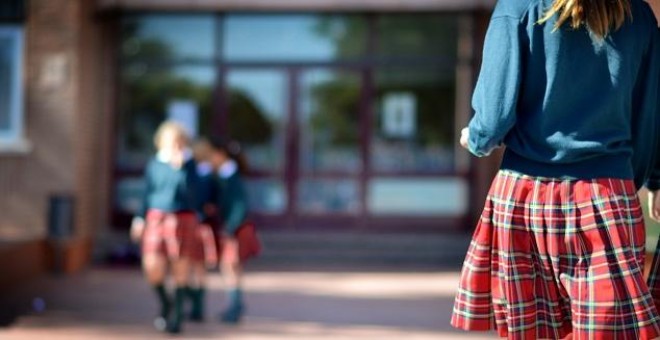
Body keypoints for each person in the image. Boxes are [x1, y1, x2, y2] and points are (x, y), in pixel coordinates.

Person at [450, 0, 660, 338]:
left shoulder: (518, 7)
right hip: (607, 196)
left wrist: (476, 138)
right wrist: (652, 178)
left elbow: (494, 117)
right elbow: (649, 115)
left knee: (531, 332)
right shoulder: (638, 15)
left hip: (523, 197)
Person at [131, 121, 201, 334]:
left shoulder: (190, 166)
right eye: (173, 141)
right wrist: (139, 218)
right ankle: (166, 303)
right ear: (163, 142)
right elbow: (147, 193)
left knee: (180, 268)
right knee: (152, 266)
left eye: (180, 142)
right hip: (156, 218)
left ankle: (177, 317)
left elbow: (193, 195)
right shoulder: (154, 164)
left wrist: (181, 170)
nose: (177, 146)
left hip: (182, 218)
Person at [206, 136, 251, 324]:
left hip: (235, 228)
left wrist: (231, 226)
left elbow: (240, 205)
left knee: (231, 267)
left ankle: (235, 306)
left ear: (221, 155)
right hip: (232, 227)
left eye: (212, 156)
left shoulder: (232, 177)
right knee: (231, 268)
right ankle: (235, 305)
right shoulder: (224, 176)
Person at [184, 139, 219, 322]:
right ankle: (195, 302)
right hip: (197, 221)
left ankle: (197, 304)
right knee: (192, 266)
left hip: (199, 223)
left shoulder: (203, 174)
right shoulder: (198, 171)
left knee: (196, 265)